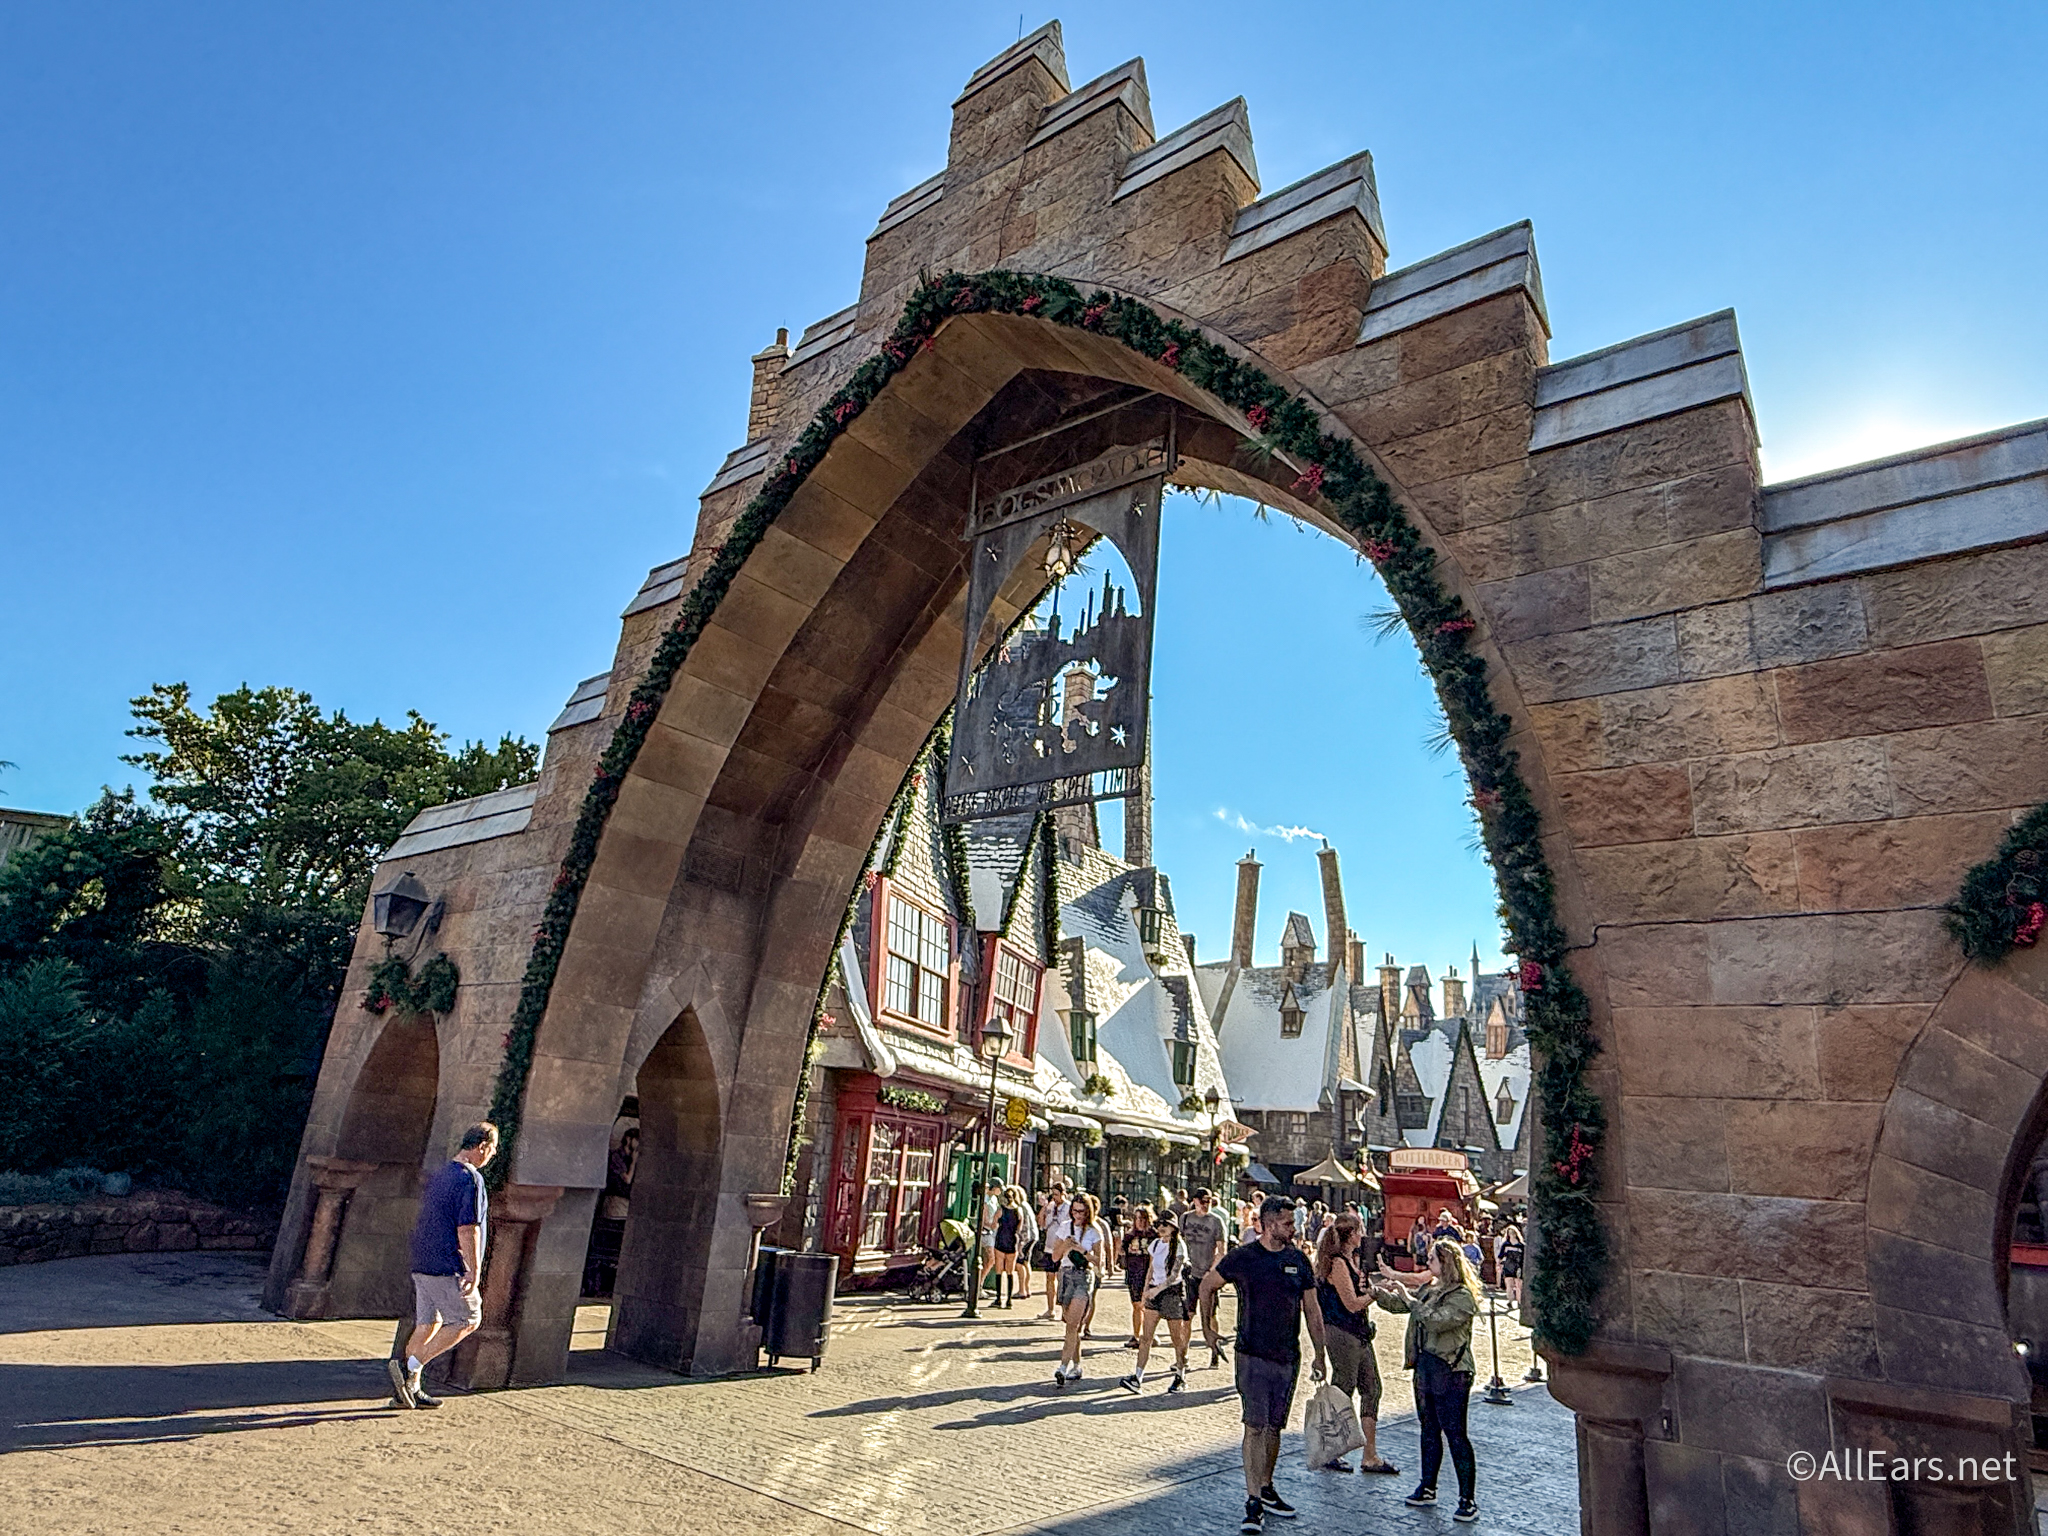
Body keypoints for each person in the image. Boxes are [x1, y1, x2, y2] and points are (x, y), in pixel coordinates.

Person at [1200, 1194, 1329, 1533]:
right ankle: (1253, 1500)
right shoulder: (1244, 1258)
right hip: (1251, 1354)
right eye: (1288, 1223)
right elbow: (1207, 1285)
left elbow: (1312, 1310)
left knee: (1274, 1427)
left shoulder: (1298, 1260)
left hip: (1287, 1356)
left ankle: (1266, 1486)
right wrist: (1207, 1328)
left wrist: (1320, 1353)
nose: (1294, 1228)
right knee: (1254, 1425)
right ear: (1270, 1225)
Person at [389, 1121, 497, 1410]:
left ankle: (409, 1390)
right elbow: (468, 1228)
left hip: (423, 1260)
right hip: (449, 1264)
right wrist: (474, 1269)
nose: (493, 1155)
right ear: (482, 1146)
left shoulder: (441, 1173)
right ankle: (410, 1367)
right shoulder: (470, 1179)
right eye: (493, 1148)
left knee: (429, 1322)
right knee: (468, 1319)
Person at [1374, 1237, 1483, 1524]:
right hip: (1426, 1366)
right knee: (1429, 1429)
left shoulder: (1462, 1295)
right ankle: (1427, 1487)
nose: (1427, 1262)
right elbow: (1401, 1306)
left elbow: (1436, 1320)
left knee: (1456, 1433)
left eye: (1432, 1258)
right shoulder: (1430, 1289)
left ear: (1445, 1263)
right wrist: (1374, 1293)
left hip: (1452, 1370)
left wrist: (1409, 1299)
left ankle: (1467, 1499)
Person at [1310, 1212, 1397, 1475]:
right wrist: (1376, 1294)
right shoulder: (1337, 1263)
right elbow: (1351, 1304)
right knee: (1343, 1388)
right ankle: (1332, 1449)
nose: (1363, 1235)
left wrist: (1370, 1289)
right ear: (1350, 1236)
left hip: (1358, 1332)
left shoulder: (1351, 1260)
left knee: (1372, 1388)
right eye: (1359, 1231)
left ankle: (1369, 1454)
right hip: (1342, 1331)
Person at [1121, 1215, 1192, 1395]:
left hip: (1172, 1294)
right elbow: (1151, 1269)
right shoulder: (1156, 1244)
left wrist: (1156, 1290)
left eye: (1165, 1224)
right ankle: (1138, 1377)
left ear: (1173, 1227)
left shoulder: (1179, 1246)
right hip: (1154, 1292)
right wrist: (1146, 1290)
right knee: (1146, 1337)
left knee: (1176, 1338)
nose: (1161, 1227)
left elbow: (1174, 1275)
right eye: (1159, 1224)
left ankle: (1180, 1375)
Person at [1053, 1192, 1110, 1385]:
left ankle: (1062, 1367)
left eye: (1082, 1212)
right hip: (1065, 1274)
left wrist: (1083, 1251)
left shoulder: (1094, 1231)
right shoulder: (1064, 1227)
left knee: (1073, 1324)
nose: (1077, 1215)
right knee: (1070, 1324)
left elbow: (1099, 1261)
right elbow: (1054, 1257)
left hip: (1083, 1276)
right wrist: (1066, 1245)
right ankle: (1077, 1365)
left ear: (1088, 1212)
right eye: (1075, 1211)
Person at [1179, 1186, 1230, 1368]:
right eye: (1203, 1201)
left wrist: (1212, 1271)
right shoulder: (1185, 1218)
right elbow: (1179, 1242)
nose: (1206, 1204)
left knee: (1210, 1315)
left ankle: (1214, 1351)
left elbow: (1221, 1250)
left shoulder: (1216, 1221)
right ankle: (1182, 1356)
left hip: (1208, 1274)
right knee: (1186, 1316)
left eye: (1209, 1201)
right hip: (1189, 1274)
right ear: (1194, 1201)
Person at [1120, 1204, 1156, 1346]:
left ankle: (1149, 1334)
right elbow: (1122, 1252)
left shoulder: (1154, 1236)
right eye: (1137, 1218)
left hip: (1149, 1273)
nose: (1140, 1222)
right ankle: (1136, 1335)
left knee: (1148, 1306)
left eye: (1143, 1218)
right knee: (1136, 1305)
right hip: (1134, 1273)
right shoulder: (1130, 1236)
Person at [1037, 1183, 1072, 1321]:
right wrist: (1044, 1209)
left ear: (1063, 1194)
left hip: (1062, 1247)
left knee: (1063, 1279)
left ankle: (1065, 1311)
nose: (1055, 1197)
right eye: (1053, 1195)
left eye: (1057, 1194)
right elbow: (1042, 1223)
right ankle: (1050, 1309)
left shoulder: (1069, 1207)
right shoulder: (1050, 1207)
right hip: (1049, 1245)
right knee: (1049, 1277)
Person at [990, 1185, 1023, 1309]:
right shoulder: (1018, 1211)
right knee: (1010, 1271)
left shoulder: (1001, 1210)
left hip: (1001, 1239)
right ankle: (1009, 1300)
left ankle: (998, 1299)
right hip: (1012, 1241)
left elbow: (994, 1224)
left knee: (999, 1270)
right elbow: (1019, 1228)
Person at [1497, 1221, 1525, 1307]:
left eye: (1513, 1232)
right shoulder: (1505, 1244)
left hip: (1518, 1266)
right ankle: (1510, 1300)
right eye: (1510, 1233)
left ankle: (1519, 1302)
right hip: (1508, 1266)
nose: (1512, 1234)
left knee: (1518, 1285)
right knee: (1509, 1285)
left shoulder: (1521, 1245)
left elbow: (1524, 1257)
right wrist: (1498, 1264)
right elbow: (1500, 1255)